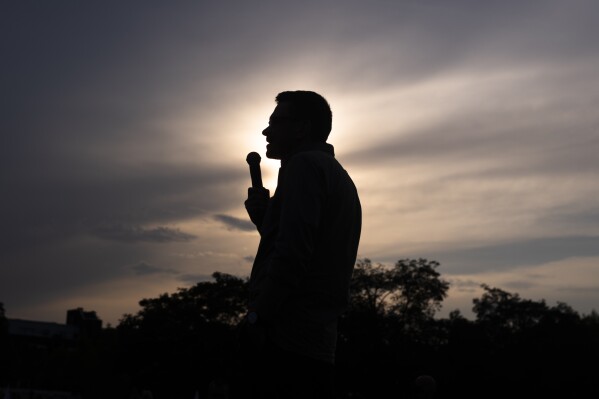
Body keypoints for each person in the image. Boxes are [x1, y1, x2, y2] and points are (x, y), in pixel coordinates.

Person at [240, 90, 362, 399]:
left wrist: (258, 316)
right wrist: (266, 222)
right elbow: (308, 248)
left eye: (275, 121)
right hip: (316, 342)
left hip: (288, 341)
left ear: (301, 128)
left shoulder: (303, 166)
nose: (266, 131)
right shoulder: (336, 174)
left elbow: (292, 257)